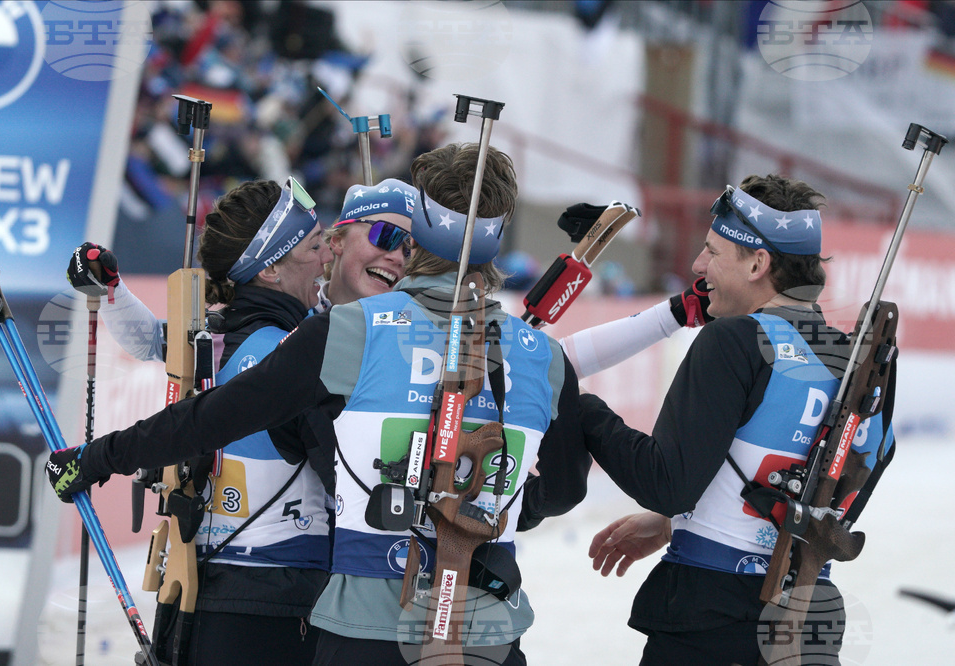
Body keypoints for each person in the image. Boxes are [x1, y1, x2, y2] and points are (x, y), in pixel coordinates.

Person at [48, 142, 593, 665]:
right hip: (487, 631)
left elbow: (211, 419)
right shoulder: (541, 354)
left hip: (366, 627)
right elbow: (566, 488)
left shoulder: (346, 333)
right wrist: (488, 514)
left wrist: (98, 458)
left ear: (421, 225)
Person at [66, 175, 417, 665]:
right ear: (271, 268)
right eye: (316, 246)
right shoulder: (290, 353)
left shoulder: (215, 332)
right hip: (277, 604)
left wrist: (113, 289)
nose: (325, 259)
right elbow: (348, 481)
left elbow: (151, 341)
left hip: (198, 592)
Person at [576, 175, 896, 666]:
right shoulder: (857, 365)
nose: (698, 268)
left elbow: (668, 482)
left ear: (757, 263)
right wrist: (671, 524)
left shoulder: (736, 341)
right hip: (808, 622)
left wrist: (582, 409)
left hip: (711, 617)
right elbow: (828, 484)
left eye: (712, 252)